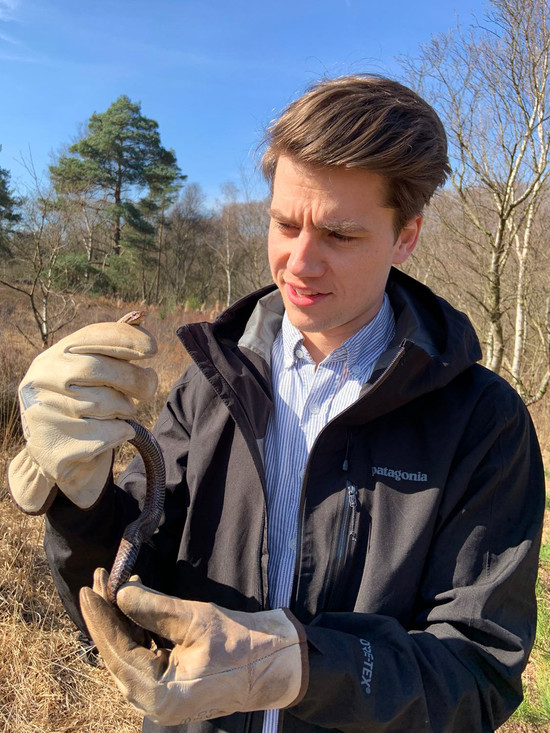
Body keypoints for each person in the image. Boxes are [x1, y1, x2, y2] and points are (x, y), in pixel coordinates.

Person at [8, 74, 545, 733]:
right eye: (285, 222)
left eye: (341, 235)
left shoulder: (481, 424)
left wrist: (300, 667)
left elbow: (477, 672)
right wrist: (76, 501)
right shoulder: (209, 385)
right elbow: (124, 597)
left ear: (407, 236)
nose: (299, 262)